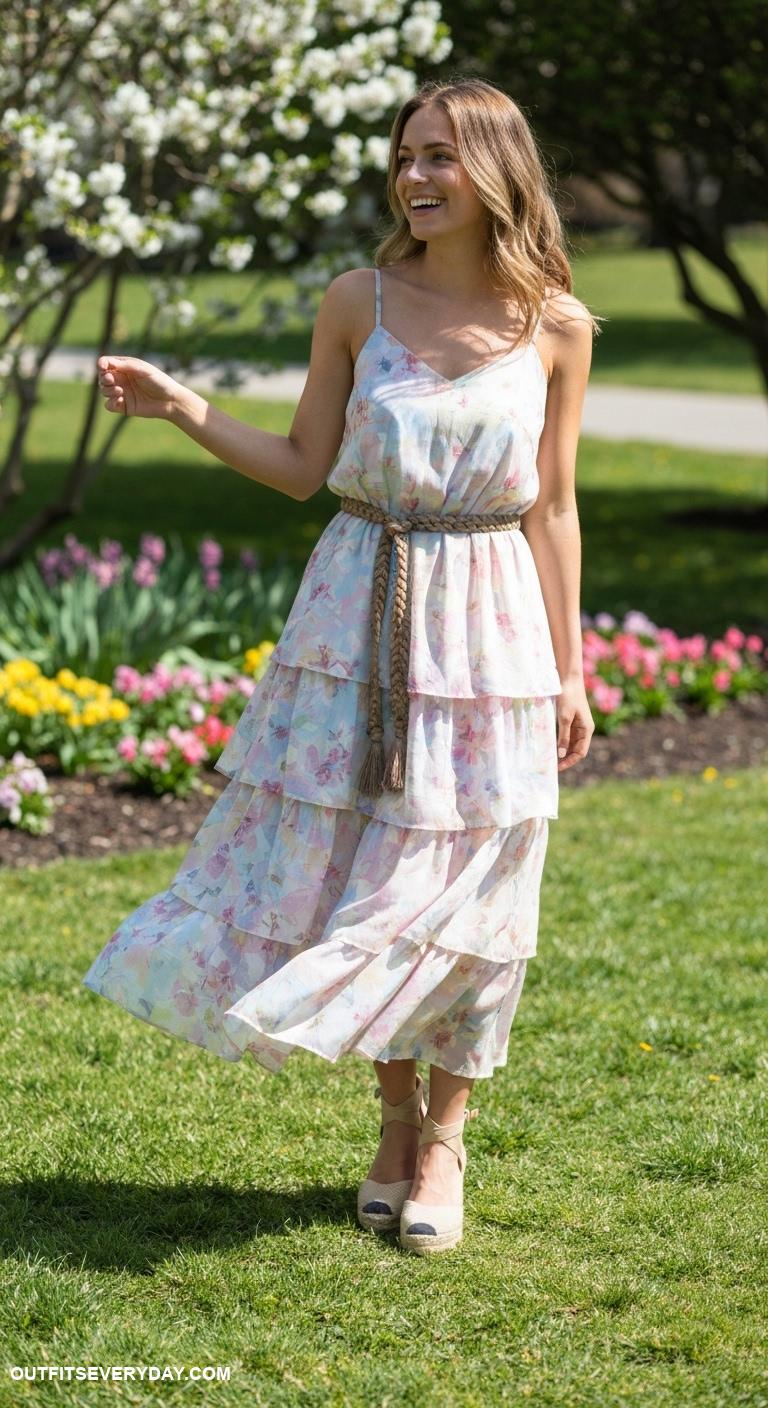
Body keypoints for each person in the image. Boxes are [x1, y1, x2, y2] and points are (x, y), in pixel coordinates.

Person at [83, 76, 596, 1256]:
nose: (416, 177)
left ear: (497, 173)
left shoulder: (554, 325)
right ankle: (392, 1120)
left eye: (443, 159)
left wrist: (569, 669)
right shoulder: (357, 300)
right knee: (375, 867)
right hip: (356, 611)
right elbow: (309, 461)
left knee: (468, 881)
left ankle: (449, 1138)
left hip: (492, 629)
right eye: (407, 155)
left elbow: (556, 505)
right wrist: (184, 408)